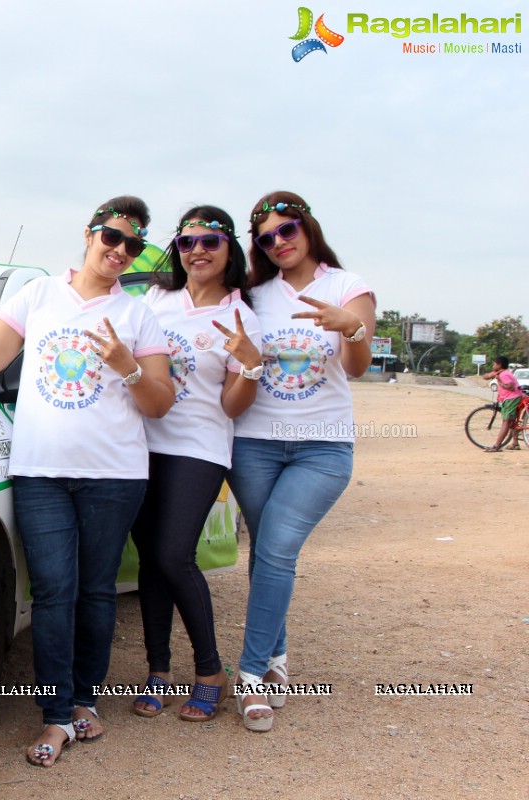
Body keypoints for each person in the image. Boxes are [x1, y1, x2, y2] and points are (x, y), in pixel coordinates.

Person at [0, 196, 173, 766]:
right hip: (40, 475)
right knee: (55, 590)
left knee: (96, 589)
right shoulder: (38, 295)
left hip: (115, 476)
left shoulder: (138, 315)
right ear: (89, 235)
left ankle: (86, 701)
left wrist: (125, 365)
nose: (119, 251)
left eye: (132, 246)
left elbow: (159, 403)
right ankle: (56, 714)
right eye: (112, 237)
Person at [227, 191, 376, 733]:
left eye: (287, 230)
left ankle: (248, 676)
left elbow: (357, 367)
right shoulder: (252, 294)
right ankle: (275, 659)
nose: (279, 242)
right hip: (254, 444)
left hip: (323, 447)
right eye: (266, 237)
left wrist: (351, 327)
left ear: (308, 228)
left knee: (277, 549)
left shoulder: (348, 287)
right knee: (269, 555)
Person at [131, 206, 262, 723]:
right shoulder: (156, 299)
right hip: (140, 443)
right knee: (150, 561)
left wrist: (250, 363)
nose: (198, 251)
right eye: (186, 243)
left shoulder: (241, 317)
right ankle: (158, 671)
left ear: (230, 250)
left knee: (173, 555)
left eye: (210, 241)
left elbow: (233, 406)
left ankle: (210, 671)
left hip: (199, 448)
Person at [481, 356, 522, 452]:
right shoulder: (502, 373)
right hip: (509, 398)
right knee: (511, 421)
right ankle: (515, 443)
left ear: (499, 365)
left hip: (511, 398)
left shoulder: (504, 375)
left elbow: (511, 387)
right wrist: (494, 375)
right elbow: (485, 377)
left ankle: (497, 446)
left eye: (494, 364)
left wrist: (500, 381)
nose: (493, 365)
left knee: (506, 422)